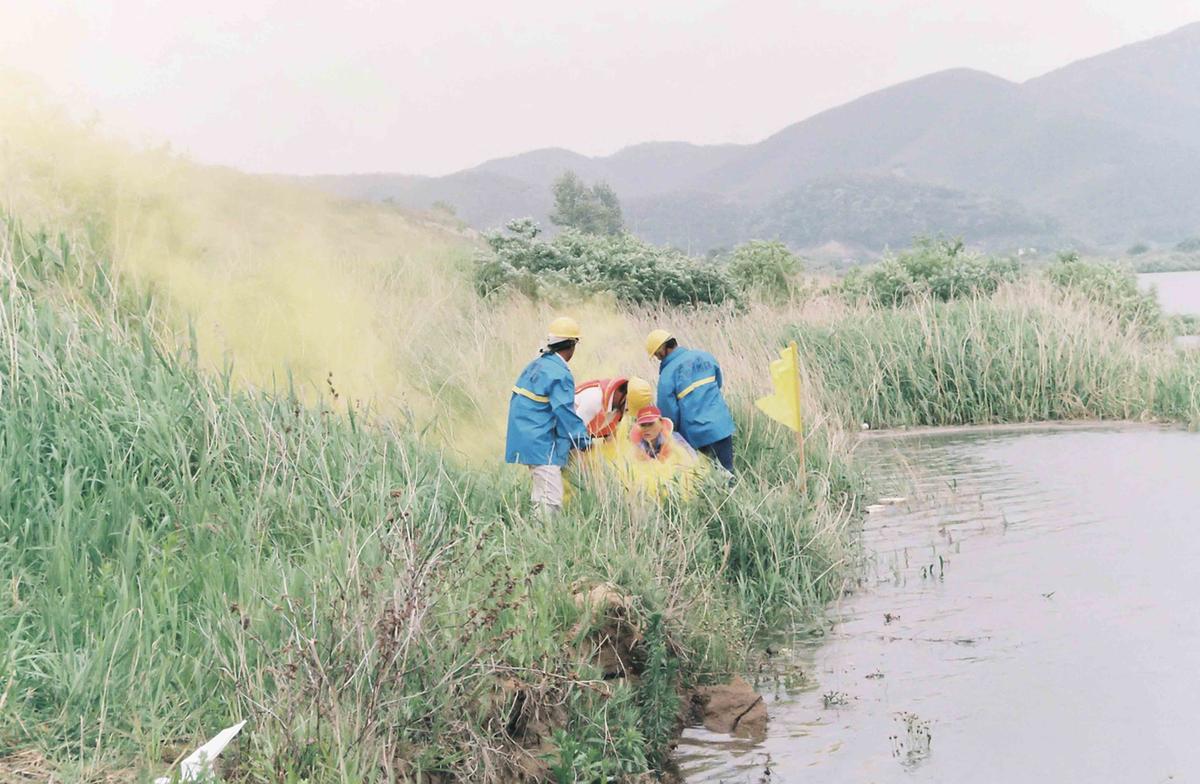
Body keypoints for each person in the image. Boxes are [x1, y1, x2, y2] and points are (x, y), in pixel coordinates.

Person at [505, 317, 592, 513]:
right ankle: (544, 539)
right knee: (550, 500)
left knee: (541, 494)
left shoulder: (537, 365)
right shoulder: (560, 373)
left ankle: (535, 536)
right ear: (572, 345)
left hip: (525, 436)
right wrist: (583, 441)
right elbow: (564, 412)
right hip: (541, 441)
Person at [645, 329, 736, 473]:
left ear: (662, 349)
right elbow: (718, 384)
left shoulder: (667, 376)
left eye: (656, 354)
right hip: (721, 426)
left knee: (710, 477)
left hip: (697, 434)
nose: (657, 358)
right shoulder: (705, 356)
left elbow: (669, 416)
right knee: (728, 471)